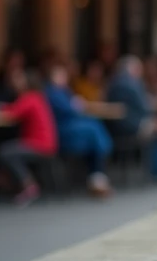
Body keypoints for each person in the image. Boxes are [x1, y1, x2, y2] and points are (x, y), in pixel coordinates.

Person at [45, 63, 115, 198]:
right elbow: (71, 110)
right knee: (93, 129)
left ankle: (97, 176)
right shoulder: (52, 92)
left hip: (72, 130)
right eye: (60, 75)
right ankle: (97, 176)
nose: (63, 78)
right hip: (63, 132)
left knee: (93, 132)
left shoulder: (63, 91)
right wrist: (76, 105)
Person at [106, 56, 157, 181]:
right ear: (133, 69)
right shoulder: (131, 83)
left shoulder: (114, 82)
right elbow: (144, 107)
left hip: (117, 126)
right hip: (131, 125)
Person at [0, 68, 57, 206]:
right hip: (45, 144)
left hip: (39, 145)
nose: (15, 83)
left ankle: (28, 184)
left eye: (19, 80)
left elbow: (11, 113)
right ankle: (9, 182)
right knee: (9, 147)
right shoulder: (38, 97)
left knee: (5, 151)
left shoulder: (30, 98)